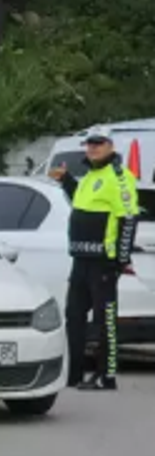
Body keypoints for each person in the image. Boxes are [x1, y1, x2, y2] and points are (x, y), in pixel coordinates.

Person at [48, 126, 139, 391]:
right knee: (74, 316)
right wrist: (66, 180)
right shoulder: (90, 176)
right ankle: (74, 374)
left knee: (104, 319)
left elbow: (128, 218)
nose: (93, 148)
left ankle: (105, 375)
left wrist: (121, 259)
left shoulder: (119, 177)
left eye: (99, 143)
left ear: (111, 146)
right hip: (81, 259)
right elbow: (82, 203)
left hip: (103, 261)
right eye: (90, 143)